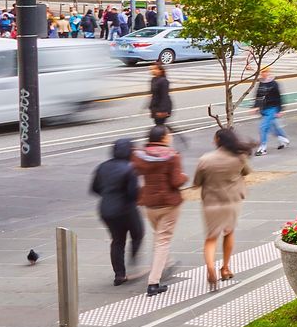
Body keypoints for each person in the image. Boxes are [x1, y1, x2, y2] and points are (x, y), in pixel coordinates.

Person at [195, 126, 252, 290]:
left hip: (211, 203)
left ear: (218, 140)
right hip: (232, 202)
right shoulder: (239, 157)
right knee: (229, 232)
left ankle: (211, 268)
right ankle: (225, 268)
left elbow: (198, 182)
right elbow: (246, 172)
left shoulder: (205, 159)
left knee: (211, 238)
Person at [135, 126, 188, 295]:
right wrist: (185, 177)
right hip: (168, 204)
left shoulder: (141, 155)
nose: (170, 137)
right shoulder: (172, 156)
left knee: (159, 236)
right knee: (163, 240)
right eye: (169, 135)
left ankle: (165, 263)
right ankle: (153, 282)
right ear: (164, 138)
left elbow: (135, 172)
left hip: (150, 204)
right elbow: (176, 181)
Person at [88, 137, 142, 285]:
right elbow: (133, 194)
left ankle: (119, 275)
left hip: (106, 210)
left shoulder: (102, 167)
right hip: (126, 209)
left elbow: (94, 188)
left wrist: (108, 195)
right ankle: (133, 260)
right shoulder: (130, 168)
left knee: (117, 241)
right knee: (138, 233)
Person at [253, 68, 288, 154]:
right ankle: (283, 139)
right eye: (262, 72)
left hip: (272, 108)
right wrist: (255, 106)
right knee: (273, 126)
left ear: (268, 73)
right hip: (263, 109)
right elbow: (258, 95)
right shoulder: (261, 83)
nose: (264, 74)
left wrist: (280, 110)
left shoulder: (274, 83)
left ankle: (263, 148)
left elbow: (279, 96)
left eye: (265, 72)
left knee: (263, 127)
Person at [147, 62, 174, 132]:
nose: (152, 71)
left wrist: (163, 111)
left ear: (160, 70)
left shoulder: (164, 81)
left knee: (159, 125)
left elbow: (164, 96)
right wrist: (150, 106)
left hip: (162, 107)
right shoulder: (153, 80)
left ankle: (164, 136)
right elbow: (152, 94)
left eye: (154, 69)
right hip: (155, 107)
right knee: (159, 125)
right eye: (151, 69)